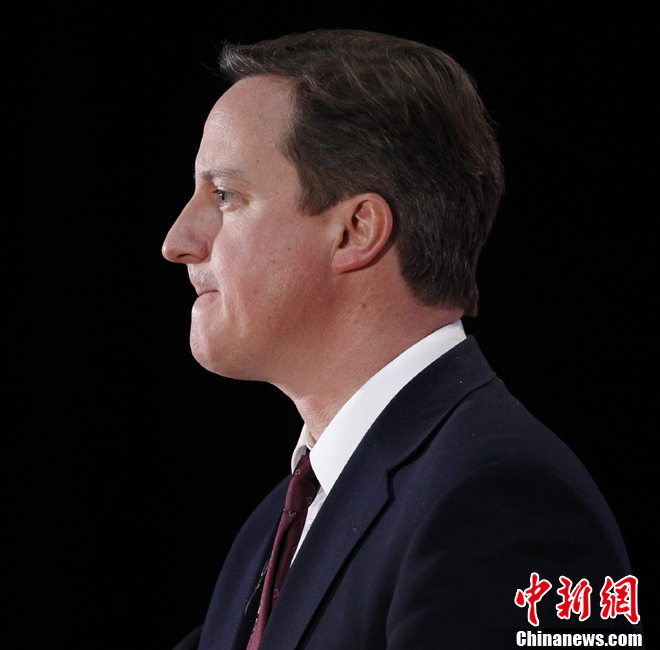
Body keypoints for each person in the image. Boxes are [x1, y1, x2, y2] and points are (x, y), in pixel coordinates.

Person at [161, 30, 637, 649]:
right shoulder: (275, 529)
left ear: (356, 230)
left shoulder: (505, 502)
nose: (177, 241)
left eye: (225, 195)